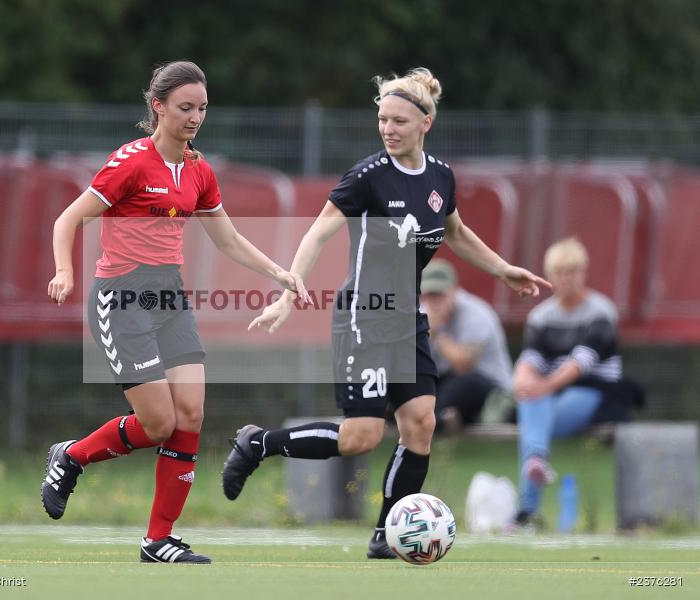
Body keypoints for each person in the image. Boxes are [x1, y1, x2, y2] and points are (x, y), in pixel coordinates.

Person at [222, 67, 550, 559]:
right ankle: (258, 444)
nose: (388, 129)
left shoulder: (439, 176)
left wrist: (503, 268)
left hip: (406, 318)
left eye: (398, 120)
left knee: (421, 422)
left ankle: (386, 535)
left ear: (426, 123)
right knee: (362, 436)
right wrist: (290, 288)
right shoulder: (368, 177)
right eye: (382, 119)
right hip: (363, 318)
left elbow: (456, 233)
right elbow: (318, 233)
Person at [41, 60, 308, 564]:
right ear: (158, 107)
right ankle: (70, 456)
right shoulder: (129, 162)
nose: (195, 117)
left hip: (170, 299)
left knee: (190, 414)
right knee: (159, 422)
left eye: (203, 108)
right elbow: (67, 219)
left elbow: (226, 237)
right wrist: (64, 272)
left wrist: (279, 272)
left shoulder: (199, 171)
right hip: (121, 300)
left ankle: (158, 539)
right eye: (186, 107)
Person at [511, 237, 637, 529]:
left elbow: (579, 365)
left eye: (572, 270)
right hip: (550, 396)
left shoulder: (601, 312)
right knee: (531, 403)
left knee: (534, 419)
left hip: (594, 392)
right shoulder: (541, 316)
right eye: (560, 271)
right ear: (550, 275)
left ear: (584, 272)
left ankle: (526, 510)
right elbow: (530, 361)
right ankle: (536, 463)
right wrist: (523, 382)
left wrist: (539, 388)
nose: (566, 278)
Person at [420, 259, 514, 432]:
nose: (435, 301)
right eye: (430, 295)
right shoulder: (421, 313)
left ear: (454, 290)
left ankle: (438, 418)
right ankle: (427, 417)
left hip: (490, 388)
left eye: (440, 294)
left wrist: (437, 333)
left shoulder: (477, 314)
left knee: (463, 382)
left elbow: (464, 365)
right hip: (447, 381)